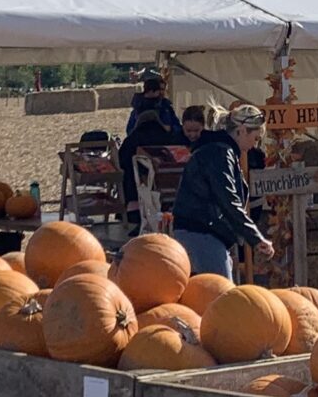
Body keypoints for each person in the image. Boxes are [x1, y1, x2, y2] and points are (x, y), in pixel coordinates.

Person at [171, 103, 275, 280]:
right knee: (221, 296)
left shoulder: (218, 151)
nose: (254, 145)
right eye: (255, 138)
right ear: (242, 131)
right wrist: (256, 238)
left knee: (212, 294)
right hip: (201, 232)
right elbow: (228, 200)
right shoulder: (219, 153)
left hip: (200, 231)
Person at [117, 72, 185, 231]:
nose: (161, 93)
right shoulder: (160, 107)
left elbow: (129, 136)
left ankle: (135, 211)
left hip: (144, 159)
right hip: (151, 162)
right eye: (159, 90)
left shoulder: (155, 107)